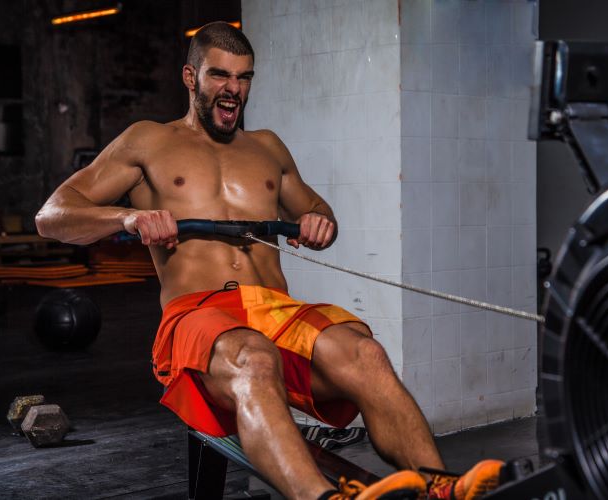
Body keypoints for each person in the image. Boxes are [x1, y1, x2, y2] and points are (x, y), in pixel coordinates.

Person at [35, 22, 503, 500]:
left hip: (275, 313)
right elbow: (52, 216)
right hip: (199, 314)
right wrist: (128, 218)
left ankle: (442, 488)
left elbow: (319, 212)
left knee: (366, 354)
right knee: (254, 358)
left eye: (244, 78)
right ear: (190, 77)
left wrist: (321, 224)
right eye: (220, 76)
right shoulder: (147, 142)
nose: (233, 90)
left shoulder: (268, 148)